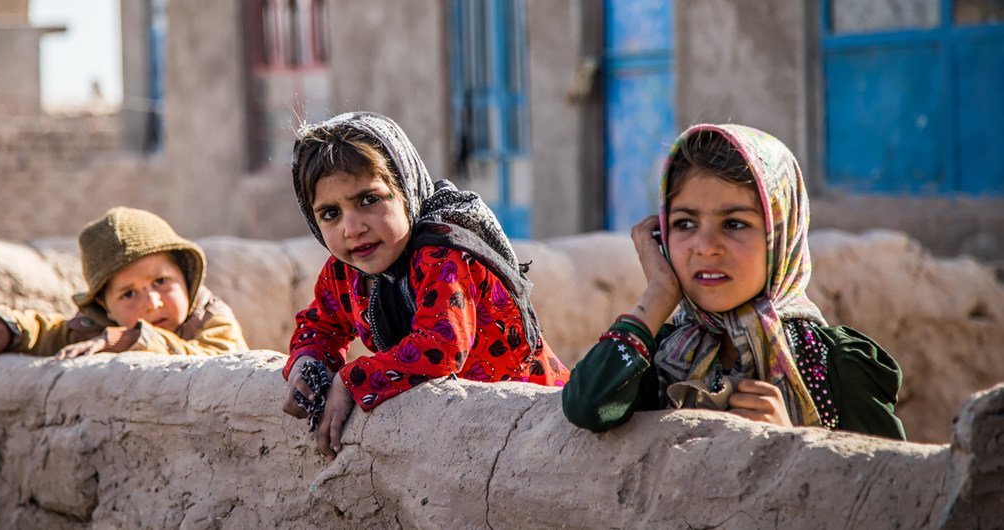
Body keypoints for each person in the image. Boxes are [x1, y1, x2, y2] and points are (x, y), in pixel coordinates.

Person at [562, 124, 906, 440]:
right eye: (684, 224)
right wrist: (659, 292)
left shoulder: (836, 367)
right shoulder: (656, 358)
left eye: (735, 224)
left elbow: (888, 492)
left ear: (782, 235)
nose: (707, 247)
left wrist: (793, 444)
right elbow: (587, 406)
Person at [282, 111, 570, 459]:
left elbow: (441, 347)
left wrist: (349, 379)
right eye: (331, 214)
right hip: (462, 441)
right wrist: (309, 364)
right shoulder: (346, 272)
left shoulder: (444, 251)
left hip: (538, 429)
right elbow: (321, 324)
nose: (352, 227)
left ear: (406, 190)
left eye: (369, 200)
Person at [0, 207, 248, 375]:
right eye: (128, 294)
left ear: (185, 278)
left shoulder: (211, 318)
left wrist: (134, 339)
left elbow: (222, 362)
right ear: (105, 308)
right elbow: (52, 332)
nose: (151, 302)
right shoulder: (103, 332)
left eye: (160, 281)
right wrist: (0, 327)